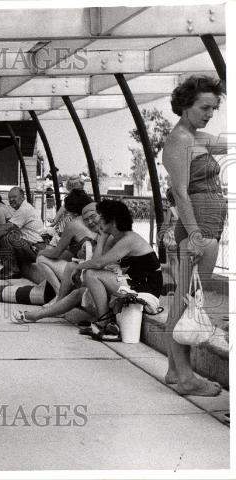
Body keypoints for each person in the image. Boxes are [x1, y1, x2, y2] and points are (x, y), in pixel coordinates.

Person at [162, 75, 226, 396]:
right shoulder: (179, 141)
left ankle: (175, 370)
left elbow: (227, 142)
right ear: (185, 106)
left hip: (205, 225)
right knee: (188, 302)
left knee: (187, 298)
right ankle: (186, 377)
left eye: (214, 107)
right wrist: (196, 234)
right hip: (197, 227)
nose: (210, 112)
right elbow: (180, 193)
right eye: (204, 107)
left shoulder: (196, 136)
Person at [69, 200, 163, 341]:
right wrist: (102, 238)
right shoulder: (119, 238)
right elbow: (98, 260)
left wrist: (76, 267)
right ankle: (105, 320)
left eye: (101, 216)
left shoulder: (129, 239)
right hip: (135, 282)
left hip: (147, 288)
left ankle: (104, 321)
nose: (98, 220)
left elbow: (98, 263)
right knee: (92, 275)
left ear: (112, 220)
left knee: (92, 275)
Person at [35, 189, 95, 294]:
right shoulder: (94, 221)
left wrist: (42, 252)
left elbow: (55, 253)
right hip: (96, 272)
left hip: (84, 274)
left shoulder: (73, 224)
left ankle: (59, 292)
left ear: (71, 210)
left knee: (41, 259)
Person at [0, 187, 45, 280]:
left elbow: (6, 228)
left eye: (14, 197)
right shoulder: (20, 208)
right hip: (29, 246)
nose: (11, 200)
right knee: (6, 235)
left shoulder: (24, 209)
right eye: (9, 197)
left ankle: (13, 270)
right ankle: (7, 268)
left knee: (7, 237)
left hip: (36, 248)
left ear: (22, 197)